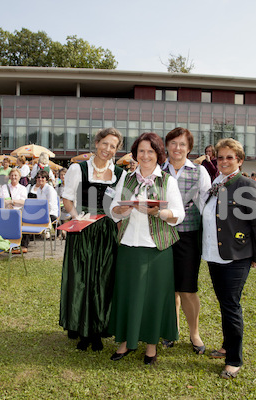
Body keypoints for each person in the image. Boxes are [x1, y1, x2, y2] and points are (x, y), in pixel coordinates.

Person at [109, 132, 185, 366]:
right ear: (136, 154)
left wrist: (159, 213)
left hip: (157, 249)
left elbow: (179, 214)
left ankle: (151, 346)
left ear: (158, 154)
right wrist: (121, 210)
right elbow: (113, 209)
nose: (145, 155)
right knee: (127, 295)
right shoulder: (126, 178)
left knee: (153, 298)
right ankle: (124, 342)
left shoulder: (167, 180)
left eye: (150, 151)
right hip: (129, 246)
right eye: (141, 151)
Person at [202, 138, 256, 379]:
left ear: (239, 160)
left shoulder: (246, 185)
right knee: (224, 303)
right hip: (214, 254)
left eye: (230, 157)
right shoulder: (217, 182)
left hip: (237, 256)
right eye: (220, 157)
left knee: (231, 305)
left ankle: (234, 359)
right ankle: (226, 346)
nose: (224, 161)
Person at [58, 128, 125, 351]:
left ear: (117, 150)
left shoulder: (120, 173)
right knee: (81, 278)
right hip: (82, 229)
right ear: (97, 143)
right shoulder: (78, 168)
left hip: (106, 231)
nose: (108, 149)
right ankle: (81, 330)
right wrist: (78, 218)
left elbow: (117, 207)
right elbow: (67, 199)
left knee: (102, 279)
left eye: (113, 146)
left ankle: (97, 329)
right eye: (105, 143)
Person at [161, 127, 211, 354]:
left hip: (189, 235)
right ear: (167, 147)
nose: (177, 148)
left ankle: (194, 333)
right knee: (169, 288)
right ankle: (173, 329)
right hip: (162, 234)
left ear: (189, 148)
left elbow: (208, 206)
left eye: (182, 144)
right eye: (173, 143)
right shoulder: (158, 170)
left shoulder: (199, 172)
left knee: (188, 289)